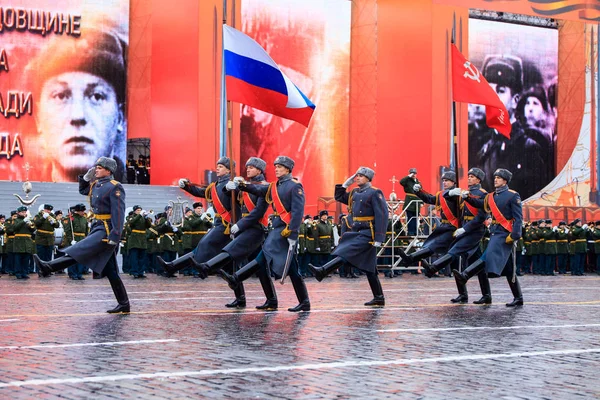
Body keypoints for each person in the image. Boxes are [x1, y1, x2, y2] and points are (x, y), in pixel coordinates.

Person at [27, 29, 127, 182]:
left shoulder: (133, 193)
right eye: (60, 96)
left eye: (97, 96)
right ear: (38, 119)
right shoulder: (27, 189)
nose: (78, 115)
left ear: (120, 118)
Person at [33, 157, 130, 313]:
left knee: (80, 249)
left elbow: (119, 212)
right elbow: (83, 190)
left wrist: (115, 235)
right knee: (111, 271)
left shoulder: (115, 187)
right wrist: (85, 178)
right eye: (96, 167)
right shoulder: (96, 185)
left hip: (106, 229)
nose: (96, 169)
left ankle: (49, 267)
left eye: (99, 167)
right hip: (96, 227)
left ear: (108, 170)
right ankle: (124, 304)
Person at [220, 156, 311, 312]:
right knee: (291, 268)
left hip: (285, 231)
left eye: (279, 167)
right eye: (275, 166)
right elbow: (259, 189)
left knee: (266, 258)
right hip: (276, 229)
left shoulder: (295, 186)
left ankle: (237, 278)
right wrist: (242, 185)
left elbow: (297, 213)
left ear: (287, 169)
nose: (276, 169)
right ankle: (304, 301)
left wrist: (293, 234)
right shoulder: (274, 186)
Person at [307, 167, 388, 306]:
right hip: (356, 231)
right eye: (357, 176)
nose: (357, 178)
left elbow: (382, 215)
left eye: (361, 176)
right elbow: (339, 197)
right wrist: (344, 185)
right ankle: (379, 297)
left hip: (368, 233)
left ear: (368, 178)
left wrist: (379, 238)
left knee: (345, 251)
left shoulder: (375, 192)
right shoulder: (355, 193)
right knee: (370, 268)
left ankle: (323, 271)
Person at [197, 157, 270, 308]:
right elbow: (231, 196)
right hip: (246, 228)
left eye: (251, 167)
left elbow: (257, 212)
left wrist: (239, 225)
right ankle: (251, 299)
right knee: (260, 268)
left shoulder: (264, 186)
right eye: (247, 167)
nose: (247, 169)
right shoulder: (247, 185)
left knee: (231, 252)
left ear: (259, 170)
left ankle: (208, 267)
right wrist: (230, 187)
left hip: (255, 229)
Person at [451, 168, 524, 307]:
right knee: (509, 269)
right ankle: (518, 297)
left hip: (505, 233)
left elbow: (518, 218)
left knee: (487, 255)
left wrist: (514, 235)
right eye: (495, 177)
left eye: (499, 177)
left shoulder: (512, 195)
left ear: (505, 181)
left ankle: (465, 275)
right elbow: (480, 205)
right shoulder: (491, 196)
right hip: (495, 232)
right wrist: (467, 198)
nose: (495, 179)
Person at [420, 168, 492, 304]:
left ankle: (433, 267)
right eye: (469, 176)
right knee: (476, 264)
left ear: (478, 179)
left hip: (474, 230)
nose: (469, 178)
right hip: (464, 228)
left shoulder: (483, 194)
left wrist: (464, 229)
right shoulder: (465, 192)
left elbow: (481, 217)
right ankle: (477, 295)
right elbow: (445, 199)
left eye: (472, 176)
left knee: (454, 252)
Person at [159, 157, 240, 276]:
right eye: (217, 166)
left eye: (221, 166)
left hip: (227, 224)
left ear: (229, 170)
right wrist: (186, 186)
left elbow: (240, 197)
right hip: (218, 222)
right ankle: (173, 266)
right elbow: (200, 192)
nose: (217, 168)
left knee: (204, 244)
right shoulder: (215, 186)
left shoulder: (232, 184)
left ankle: (203, 268)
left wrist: (236, 187)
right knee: (200, 247)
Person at [398, 171, 459, 267]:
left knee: (435, 245)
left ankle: (413, 259)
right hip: (444, 226)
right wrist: (419, 192)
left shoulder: (457, 194)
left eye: (447, 180)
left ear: (453, 182)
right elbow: (430, 199)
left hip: (453, 226)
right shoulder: (441, 194)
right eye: (443, 180)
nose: (444, 182)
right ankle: (425, 265)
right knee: (431, 244)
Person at [8, 206, 35, 280]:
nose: (24, 213)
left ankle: (25, 272)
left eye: (25, 212)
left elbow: (33, 229)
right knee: (18, 258)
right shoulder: (16, 220)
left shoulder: (28, 220)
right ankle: (18, 273)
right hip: (19, 241)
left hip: (27, 241)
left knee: (26, 258)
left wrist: (30, 224)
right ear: (19, 213)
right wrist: (24, 221)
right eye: (22, 212)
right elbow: (15, 228)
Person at [33, 204, 60, 272]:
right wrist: (43, 218)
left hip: (50, 239)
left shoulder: (52, 216)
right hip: (41, 238)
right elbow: (36, 224)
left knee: (48, 256)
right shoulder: (38, 215)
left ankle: (47, 270)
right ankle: (39, 270)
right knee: (40, 255)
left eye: (49, 210)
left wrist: (52, 221)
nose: (48, 211)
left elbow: (57, 225)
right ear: (44, 209)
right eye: (47, 210)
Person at [128, 205, 152, 279]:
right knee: (134, 257)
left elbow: (148, 226)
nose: (139, 211)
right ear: (135, 211)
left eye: (140, 210)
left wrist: (146, 218)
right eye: (138, 210)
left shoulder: (143, 218)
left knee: (142, 257)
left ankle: (141, 272)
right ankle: (135, 272)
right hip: (135, 239)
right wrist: (139, 215)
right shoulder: (132, 217)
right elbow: (131, 223)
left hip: (142, 239)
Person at [400, 168, 421, 235]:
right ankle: (411, 232)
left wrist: (421, 202)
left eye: (415, 173)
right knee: (410, 217)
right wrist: (408, 176)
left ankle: (415, 232)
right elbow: (401, 182)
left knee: (415, 218)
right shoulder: (407, 181)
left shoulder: (418, 181)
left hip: (417, 202)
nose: (413, 175)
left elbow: (421, 192)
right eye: (412, 173)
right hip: (410, 201)